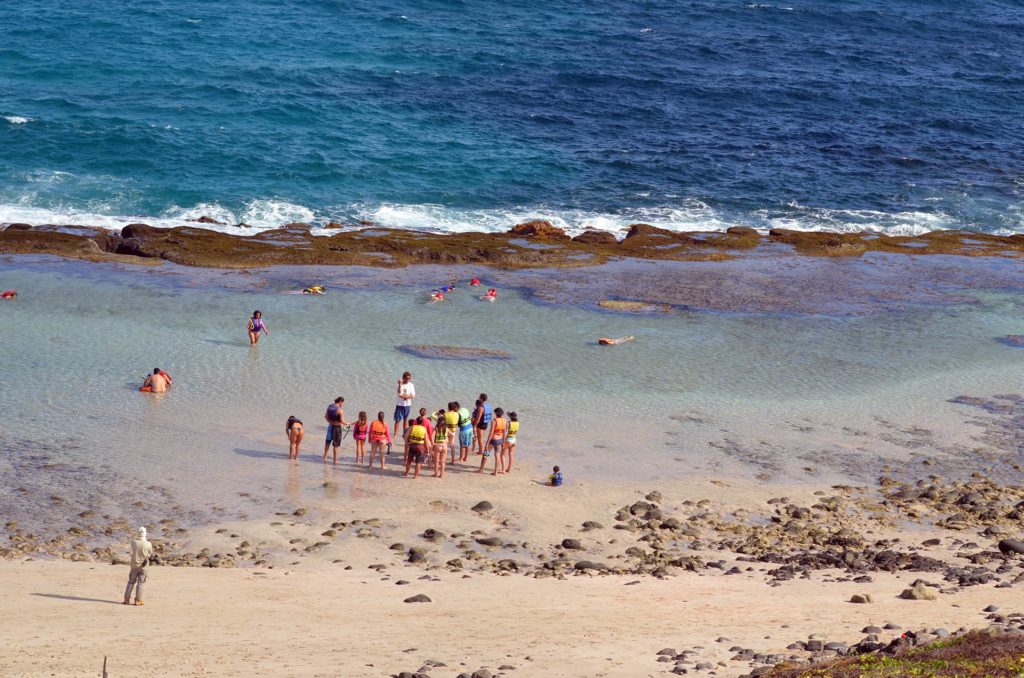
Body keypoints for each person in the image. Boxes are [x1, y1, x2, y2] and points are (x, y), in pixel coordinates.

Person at [123, 526, 153, 606]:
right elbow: (150, 553)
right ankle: (138, 600)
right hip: (144, 566)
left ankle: (126, 599)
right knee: (141, 583)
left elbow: (133, 549)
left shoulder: (133, 542)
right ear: (145, 533)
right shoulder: (148, 544)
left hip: (134, 565)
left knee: (131, 582)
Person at [480, 407, 507, 475]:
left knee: (486, 453)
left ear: (496, 413)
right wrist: (503, 442)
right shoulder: (504, 421)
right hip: (500, 439)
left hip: (494, 439)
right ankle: (495, 471)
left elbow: (491, 433)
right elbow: (504, 432)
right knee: (497, 455)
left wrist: (486, 443)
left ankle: (481, 469)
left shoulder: (494, 421)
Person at [323, 397, 350, 464]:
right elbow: (342, 421)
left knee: (327, 442)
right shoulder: (340, 410)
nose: (342, 404)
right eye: (342, 403)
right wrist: (348, 423)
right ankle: (335, 461)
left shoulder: (329, 406)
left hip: (330, 426)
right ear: (340, 402)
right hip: (337, 428)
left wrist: (331, 422)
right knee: (336, 445)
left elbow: (325, 417)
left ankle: (325, 457)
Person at [394, 372, 415, 437]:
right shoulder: (400, 384)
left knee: (405, 419)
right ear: (403, 378)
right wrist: (400, 385)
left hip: (407, 405)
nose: (408, 379)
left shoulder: (411, 385)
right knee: (397, 420)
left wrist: (405, 396)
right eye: (406, 378)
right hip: (399, 404)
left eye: (409, 378)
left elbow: (413, 395)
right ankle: (395, 434)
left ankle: (404, 433)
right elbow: (399, 393)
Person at [431, 408, 449, 478]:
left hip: (438, 445)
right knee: (443, 462)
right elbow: (452, 434)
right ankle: (442, 475)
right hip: (444, 446)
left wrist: (433, 443)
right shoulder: (446, 429)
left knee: (436, 461)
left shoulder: (436, 428)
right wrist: (447, 440)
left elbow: (432, 436)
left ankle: (435, 474)